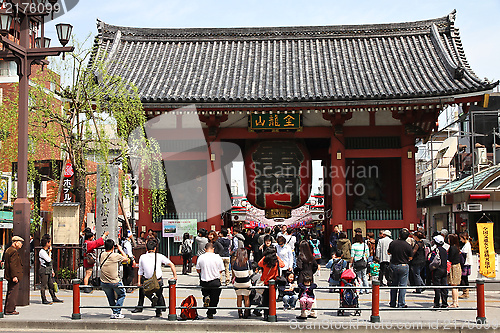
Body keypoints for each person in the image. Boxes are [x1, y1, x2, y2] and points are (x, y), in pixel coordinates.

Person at [133, 240, 178, 317]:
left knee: (142, 291)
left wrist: (139, 282)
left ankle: (140, 306)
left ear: (146, 249)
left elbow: (140, 271)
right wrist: (175, 276)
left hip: (147, 281)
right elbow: (171, 264)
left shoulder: (142, 257)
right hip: (158, 280)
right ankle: (158, 311)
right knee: (159, 295)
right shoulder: (159, 256)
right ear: (155, 249)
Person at [100, 239, 129, 319]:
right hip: (114, 281)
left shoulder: (102, 254)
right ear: (113, 247)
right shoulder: (115, 255)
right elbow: (126, 258)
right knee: (122, 294)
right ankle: (117, 312)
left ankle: (114, 312)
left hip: (104, 281)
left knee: (110, 297)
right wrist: (120, 249)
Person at [196, 242, 224, 319]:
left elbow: (198, 270)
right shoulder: (217, 257)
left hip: (204, 280)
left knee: (205, 292)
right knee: (215, 298)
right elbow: (221, 270)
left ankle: (206, 297)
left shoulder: (201, 257)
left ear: (205, 249)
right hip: (215, 281)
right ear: (213, 249)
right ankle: (210, 312)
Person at [387, 228, 412, 308]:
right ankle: (401, 303)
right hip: (404, 265)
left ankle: (392, 302)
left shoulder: (393, 243)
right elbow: (410, 257)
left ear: (399, 235)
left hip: (394, 265)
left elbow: (388, 252)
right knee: (402, 285)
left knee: (394, 285)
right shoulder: (408, 246)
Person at [258, 246, 284, 321]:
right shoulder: (276, 260)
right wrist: (277, 257)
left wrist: (264, 257)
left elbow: (259, 264)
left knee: (265, 300)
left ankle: (266, 314)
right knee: (272, 299)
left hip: (265, 281)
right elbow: (282, 265)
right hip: (274, 282)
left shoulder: (265, 260)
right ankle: (272, 313)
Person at [39, 235, 63, 304]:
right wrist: (50, 252)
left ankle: (54, 297)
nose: (50, 244)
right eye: (49, 242)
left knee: (51, 284)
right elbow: (48, 260)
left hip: (48, 269)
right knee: (43, 285)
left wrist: (52, 270)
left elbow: (50, 263)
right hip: (44, 269)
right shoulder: (42, 252)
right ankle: (44, 299)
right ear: (47, 243)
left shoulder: (46, 251)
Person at [4, 236, 24, 315]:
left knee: (10, 291)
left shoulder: (8, 250)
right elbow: (13, 265)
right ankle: (10, 309)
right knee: (13, 292)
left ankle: (8, 308)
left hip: (9, 275)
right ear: (15, 242)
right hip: (13, 276)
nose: (21, 244)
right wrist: (14, 276)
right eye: (20, 243)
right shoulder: (13, 251)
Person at [232, 248, 252, 318]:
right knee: (246, 298)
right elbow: (251, 273)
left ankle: (240, 312)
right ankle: (246, 312)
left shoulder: (235, 262)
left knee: (239, 297)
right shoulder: (247, 262)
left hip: (237, 282)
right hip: (246, 282)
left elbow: (233, 273)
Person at [430, 235, 448, 308]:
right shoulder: (445, 250)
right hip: (444, 269)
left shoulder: (436, 250)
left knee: (437, 287)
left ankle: (437, 303)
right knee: (444, 287)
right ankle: (444, 303)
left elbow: (431, 259)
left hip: (437, 270)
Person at [447, 234, 462, 308]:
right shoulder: (457, 247)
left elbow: (450, 258)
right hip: (457, 266)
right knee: (455, 286)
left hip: (453, 267)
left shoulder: (452, 248)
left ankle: (454, 302)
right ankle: (456, 302)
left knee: (454, 286)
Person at [459, 232, 473, 299]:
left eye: (461, 238)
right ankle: (465, 292)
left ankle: (465, 292)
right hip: (467, 263)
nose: (460, 240)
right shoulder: (467, 244)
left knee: (464, 278)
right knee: (465, 278)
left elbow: (463, 255)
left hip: (465, 263)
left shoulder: (467, 245)